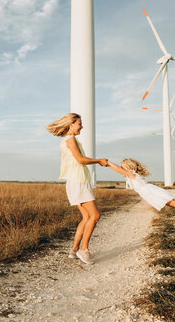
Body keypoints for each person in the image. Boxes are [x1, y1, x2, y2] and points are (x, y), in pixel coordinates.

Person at [46, 113, 109, 264]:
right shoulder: (70, 140)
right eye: (79, 123)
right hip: (78, 182)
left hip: (76, 182)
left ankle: (74, 250)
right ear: (71, 124)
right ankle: (84, 249)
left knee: (87, 217)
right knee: (95, 216)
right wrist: (99, 160)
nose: (82, 126)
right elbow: (80, 160)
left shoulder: (69, 140)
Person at [106, 158, 175, 221]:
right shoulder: (131, 175)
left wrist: (108, 163)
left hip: (151, 192)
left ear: (128, 167)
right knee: (174, 204)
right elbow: (118, 170)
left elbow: (118, 169)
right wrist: (108, 165)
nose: (121, 167)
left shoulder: (131, 174)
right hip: (149, 192)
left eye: (122, 166)